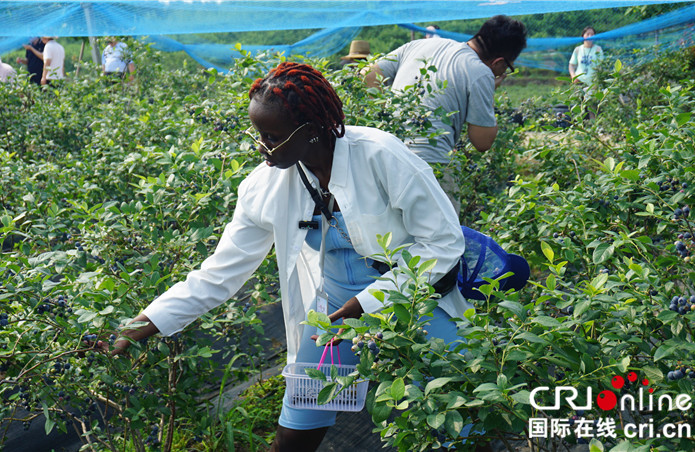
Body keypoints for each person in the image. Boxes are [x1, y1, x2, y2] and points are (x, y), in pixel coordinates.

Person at [110, 62, 469, 451]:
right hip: (333, 313)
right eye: (259, 134)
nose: (262, 147)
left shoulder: (381, 156)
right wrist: (143, 324)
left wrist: (367, 303)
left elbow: (442, 243)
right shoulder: (265, 187)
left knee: (461, 414)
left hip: (414, 299)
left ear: (312, 132)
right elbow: (219, 272)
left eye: (272, 136)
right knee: (295, 428)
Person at [364, 15, 527, 214]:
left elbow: (368, 75)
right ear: (499, 62)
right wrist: (489, 92)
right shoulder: (479, 71)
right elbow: (482, 142)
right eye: (507, 68)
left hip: (387, 155)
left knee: (393, 237)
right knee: (441, 240)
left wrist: (385, 114)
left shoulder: (418, 46)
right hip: (433, 165)